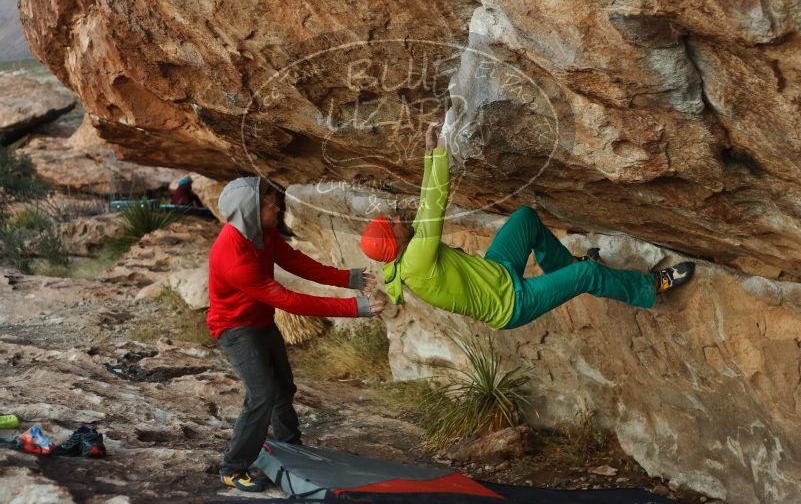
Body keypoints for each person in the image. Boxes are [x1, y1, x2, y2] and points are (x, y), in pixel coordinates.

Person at [359, 123, 694, 330]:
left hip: (498, 272)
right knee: (587, 277)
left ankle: (564, 267)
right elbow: (435, 203)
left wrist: (431, 156)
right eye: (392, 224)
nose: (397, 219)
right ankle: (651, 286)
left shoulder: (408, 247)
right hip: (511, 305)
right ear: (396, 243)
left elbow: (423, 204)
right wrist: (444, 155)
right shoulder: (415, 261)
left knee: (525, 218)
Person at [208, 177, 385, 492]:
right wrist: (357, 308)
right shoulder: (233, 255)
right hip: (235, 328)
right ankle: (233, 467)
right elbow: (290, 301)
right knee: (262, 393)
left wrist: (350, 278)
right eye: (267, 202)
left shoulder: (264, 234)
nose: (276, 206)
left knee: (283, 388)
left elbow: (297, 263)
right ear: (249, 210)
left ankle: (291, 447)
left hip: (261, 321)